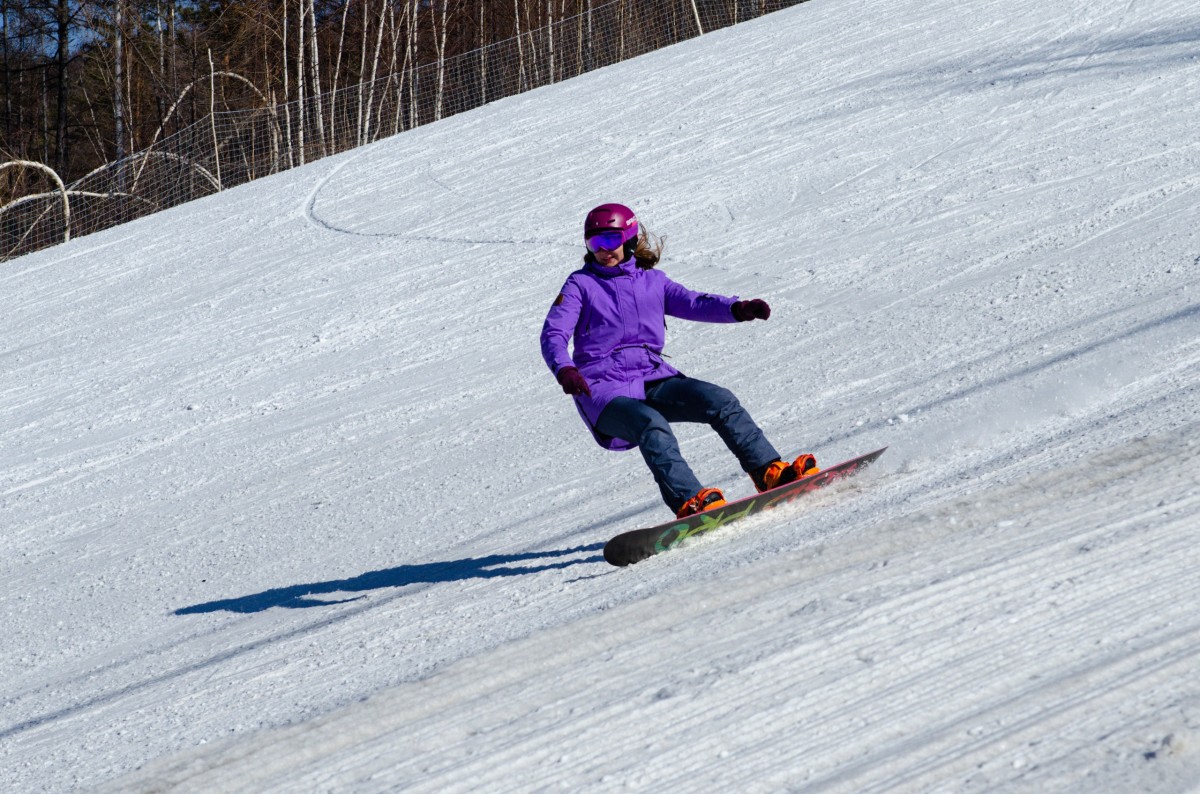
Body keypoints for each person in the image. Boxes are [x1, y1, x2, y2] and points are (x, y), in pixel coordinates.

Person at [540, 202, 820, 519]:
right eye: (595, 243)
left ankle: (768, 471)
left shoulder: (652, 281)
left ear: (629, 238)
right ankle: (689, 501)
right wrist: (565, 369)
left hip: (652, 378)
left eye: (610, 241)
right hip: (602, 390)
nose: (603, 250)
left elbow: (692, 303)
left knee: (719, 400)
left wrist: (735, 310)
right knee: (650, 424)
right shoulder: (580, 285)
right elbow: (553, 334)